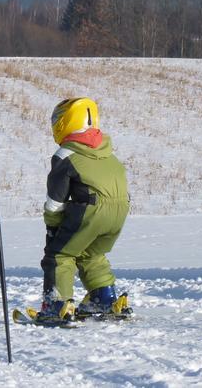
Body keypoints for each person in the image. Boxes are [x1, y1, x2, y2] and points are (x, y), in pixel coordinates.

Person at [39, 97, 131, 322]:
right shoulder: (107, 151)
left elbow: (56, 199)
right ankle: (104, 297)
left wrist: (53, 225)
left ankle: (56, 304)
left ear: (65, 122)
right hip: (120, 211)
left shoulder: (66, 155)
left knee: (60, 254)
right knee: (91, 253)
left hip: (92, 210)